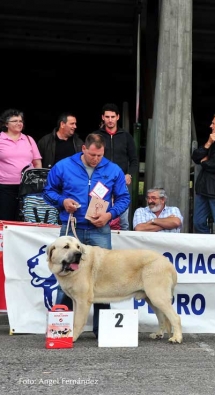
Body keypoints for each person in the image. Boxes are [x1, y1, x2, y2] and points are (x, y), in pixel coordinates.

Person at [43, 133, 130, 338]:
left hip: (100, 229)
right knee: (65, 278)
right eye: (92, 155)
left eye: (100, 155)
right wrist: (63, 202)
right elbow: (48, 191)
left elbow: (124, 198)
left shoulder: (113, 169)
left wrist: (109, 214)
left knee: (103, 278)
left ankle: (103, 330)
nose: (96, 159)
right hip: (71, 229)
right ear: (84, 149)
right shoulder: (63, 166)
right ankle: (61, 329)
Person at [95, 103, 139, 231]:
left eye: (112, 117)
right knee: (97, 214)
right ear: (102, 117)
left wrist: (129, 174)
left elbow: (134, 160)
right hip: (100, 181)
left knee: (123, 220)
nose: (110, 120)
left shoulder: (126, 136)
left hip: (121, 181)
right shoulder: (97, 136)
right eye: (107, 116)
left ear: (118, 117)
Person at [0, 109, 42, 221]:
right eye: (15, 121)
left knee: (27, 218)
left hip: (28, 187)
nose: (19, 123)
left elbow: (37, 162)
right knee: (6, 219)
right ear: (6, 124)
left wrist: (38, 182)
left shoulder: (28, 139)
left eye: (20, 121)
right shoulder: (1, 139)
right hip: (5, 187)